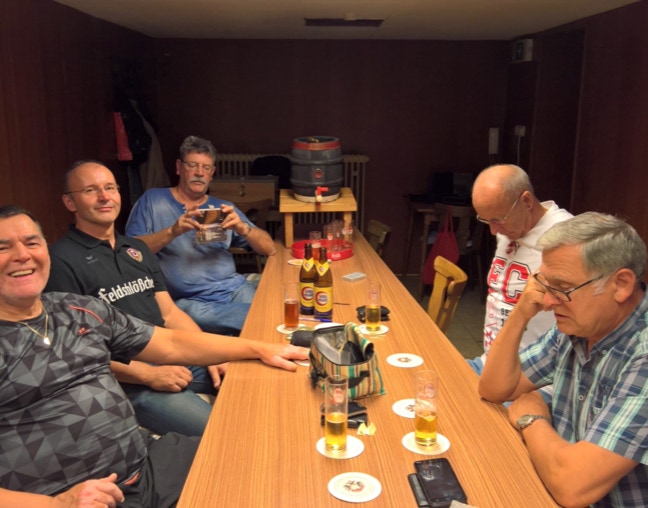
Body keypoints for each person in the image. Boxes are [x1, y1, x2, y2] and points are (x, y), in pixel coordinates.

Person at [0, 204, 307, 507]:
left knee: (264, 459)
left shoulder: (78, 309)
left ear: (45, 248)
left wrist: (260, 348)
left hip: (143, 465)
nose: (22, 255)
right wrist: (57, 504)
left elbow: (171, 343)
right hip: (71, 498)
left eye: (31, 242)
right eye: (3, 247)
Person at [479, 212, 648, 507]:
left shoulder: (642, 352)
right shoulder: (580, 325)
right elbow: (493, 388)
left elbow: (573, 486)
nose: (547, 301)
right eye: (544, 284)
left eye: (562, 287)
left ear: (621, 284)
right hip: (549, 484)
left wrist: (533, 419)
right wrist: (521, 312)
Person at [45, 160, 222, 436]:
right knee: (222, 432)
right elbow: (77, 351)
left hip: (169, 353)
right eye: (90, 190)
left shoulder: (136, 248)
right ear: (70, 202)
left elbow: (169, 314)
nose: (104, 197)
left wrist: (209, 352)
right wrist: (148, 375)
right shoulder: (60, 260)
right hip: (130, 381)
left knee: (248, 378)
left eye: (110, 188)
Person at [125, 135, 275, 335]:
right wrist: (172, 231)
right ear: (179, 167)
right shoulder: (153, 200)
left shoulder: (223, 207)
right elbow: (130, 253)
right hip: (189, 301)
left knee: (260, 313)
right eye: (193, 165)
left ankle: (256, 321)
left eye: (206, 167)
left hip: (234, 290)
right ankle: (265, 317)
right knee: (259, 318)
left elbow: (269, 248)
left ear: (212, 173)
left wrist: (243, 228)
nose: (199, 173)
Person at [469, 164, 572, 375]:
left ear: (526, 201)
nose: (493, 231)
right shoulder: (509, 230)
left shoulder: (567, 236)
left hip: (531, 375)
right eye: (486, 220)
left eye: (498, 219)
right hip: (489, 362)